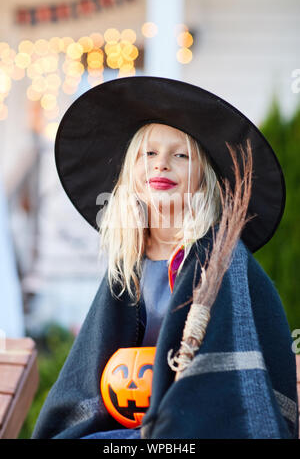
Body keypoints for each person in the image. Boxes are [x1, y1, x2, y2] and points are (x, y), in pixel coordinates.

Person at [32, 76, 298, 439]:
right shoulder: (129, 266)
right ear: (131, 174)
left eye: (181, 155)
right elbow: (88, 376)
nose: (161, 165)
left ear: (203, 178)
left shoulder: (220, 260)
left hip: (198, 423)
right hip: (129, 423)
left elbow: (230, 384)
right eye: (149, 154)